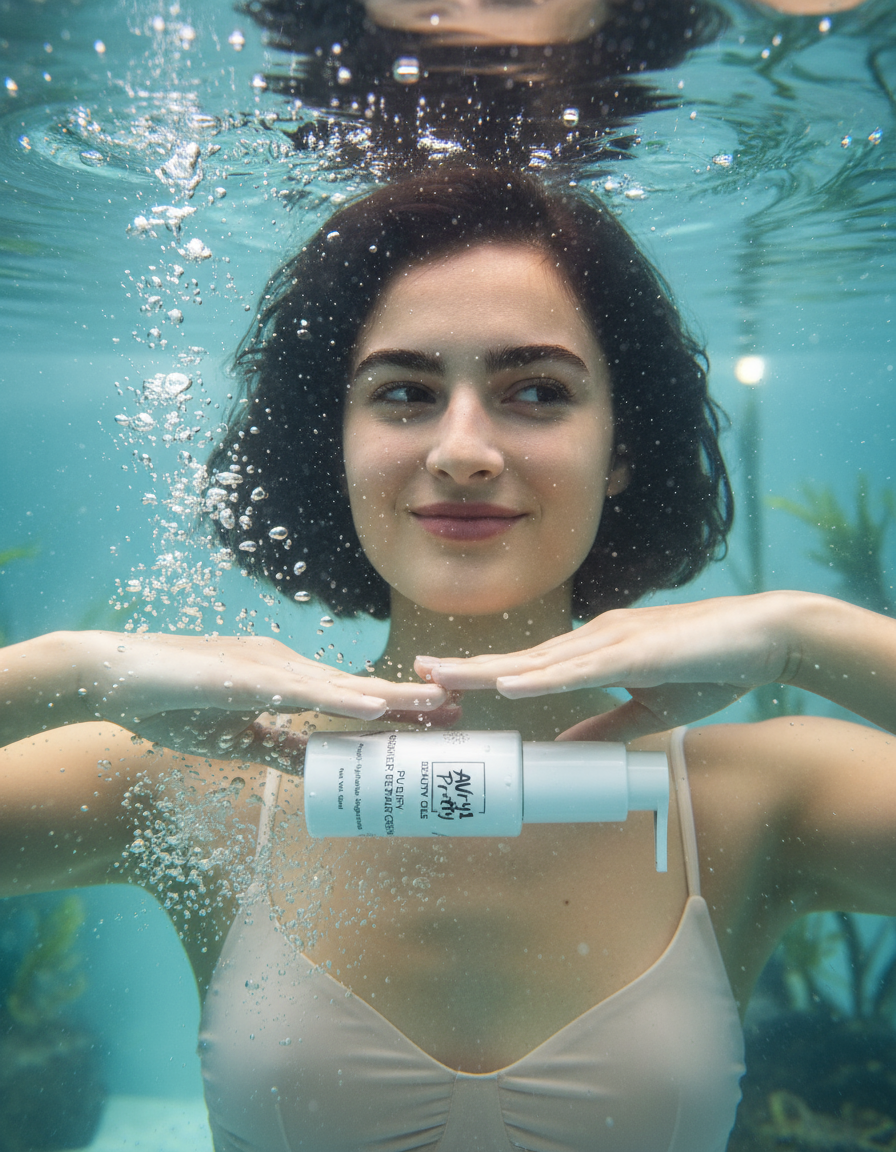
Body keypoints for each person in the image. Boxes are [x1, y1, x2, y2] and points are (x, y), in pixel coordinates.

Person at [2, 167, 895, 1152]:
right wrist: (75, 673)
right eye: (403, 393)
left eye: (535, 391)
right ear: (329, 441)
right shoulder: (197, 782)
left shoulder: (755, 801)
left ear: (622, 444)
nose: (463, 448)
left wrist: (802, 637)